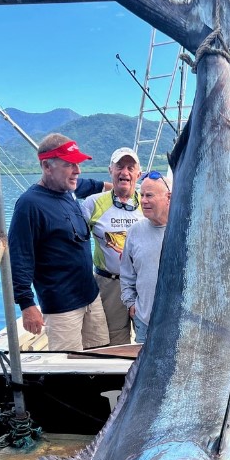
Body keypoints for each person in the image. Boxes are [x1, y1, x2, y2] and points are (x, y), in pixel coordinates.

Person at [8, 133, 109, 351]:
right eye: (69, 165)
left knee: (100, 357)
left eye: (78, 164)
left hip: (91, 297)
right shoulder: (29, 205)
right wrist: (27, 304)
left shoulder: (68, 189)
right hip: (62, 308)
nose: (77, 171)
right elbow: (20, 258)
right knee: (68, 369)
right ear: (47, 166)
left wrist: (121, 188)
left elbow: (89, 185)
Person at [80, 147, 143, 345]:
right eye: (119, 167)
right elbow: (73, 243)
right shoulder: (93, 203)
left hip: (144, 284)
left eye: (130, 167)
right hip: (109, 284)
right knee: (116, 341)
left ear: (138, 174)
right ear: (110, 170)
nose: (125, 172)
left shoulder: (148, 202)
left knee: (147, 338)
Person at [120, 171, 171, 343]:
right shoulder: (135, 231)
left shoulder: (186, 230)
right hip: (144, 323)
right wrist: (131, 303)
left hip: (177, 325)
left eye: (149, 195)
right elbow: (127, 274)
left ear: (168, 198)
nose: (143, 201)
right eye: (141, 195)